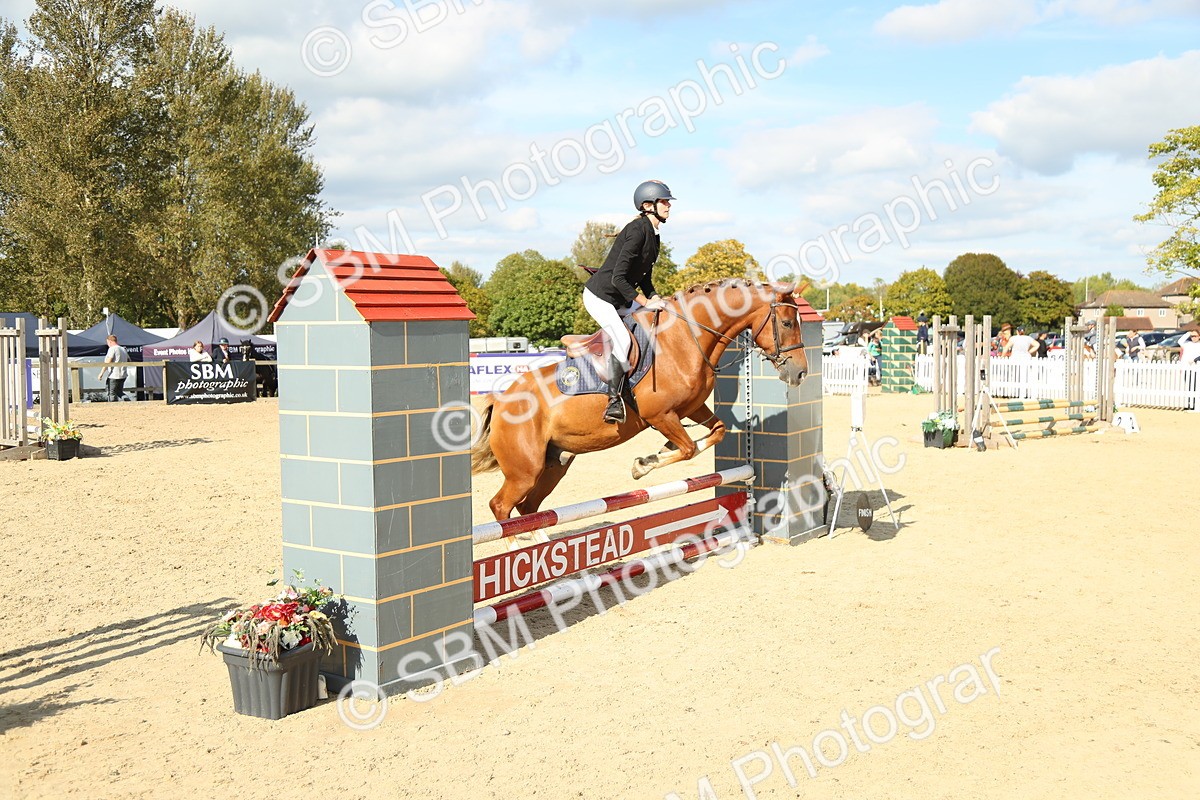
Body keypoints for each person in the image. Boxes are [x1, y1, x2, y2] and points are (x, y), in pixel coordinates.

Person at [583, 179, 673, 424]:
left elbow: (644, 277)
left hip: (621, 296)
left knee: (656, 320)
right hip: (601, 297)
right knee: (622, 339)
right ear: (648, 205)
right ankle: (613, 400)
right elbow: (618, 277)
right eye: (664, 201)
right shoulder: (636, 231)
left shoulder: (654, 235)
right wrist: (644, 301)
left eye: (667, 202)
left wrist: (655, 297)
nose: (668, 206)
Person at [98, 334, 130, 402]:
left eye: (107, 343)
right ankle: (128, 401)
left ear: (110, 341)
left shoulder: (112, 349)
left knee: (111, 393)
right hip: (123, 374)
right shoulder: (123, 349)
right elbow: (129, 360)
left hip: (114, 375)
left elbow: (108, 362)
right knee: (119, 392)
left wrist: (101, 373)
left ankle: (113, 407)